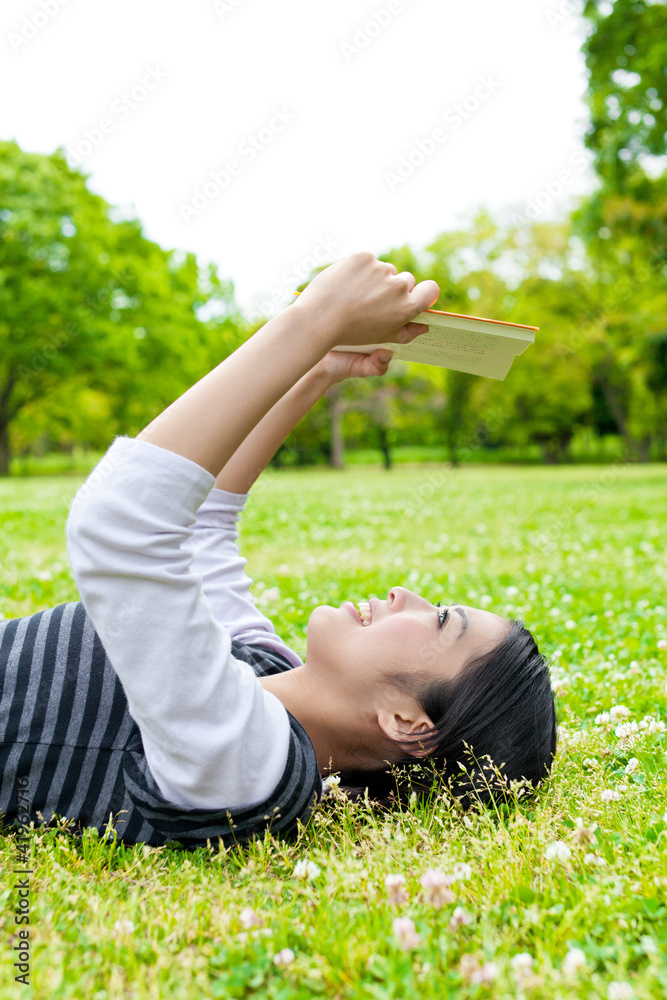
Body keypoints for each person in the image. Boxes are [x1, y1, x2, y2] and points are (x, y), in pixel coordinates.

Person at [0, 252, 557, 851]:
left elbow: (121, 526)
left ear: (406, 722)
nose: (407, 595)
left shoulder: (249, 768)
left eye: (443, 620)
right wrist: (318, 369)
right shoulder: (266, 671)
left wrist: (312, 317)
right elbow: (204, 525)